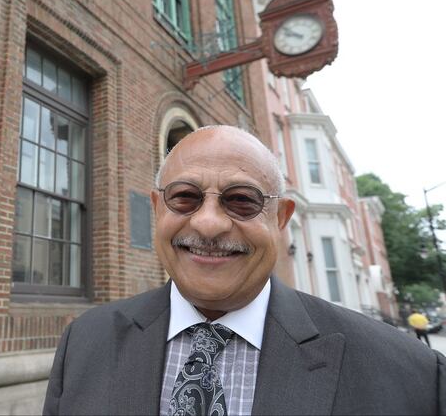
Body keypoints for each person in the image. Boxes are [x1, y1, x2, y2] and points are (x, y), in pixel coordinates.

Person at [43, 125, 445, 415]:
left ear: (281, 217)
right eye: (185, 197)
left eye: (241, 200)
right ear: (157, 208)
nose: (208, 224)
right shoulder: (85, 342)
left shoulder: (410, 374)